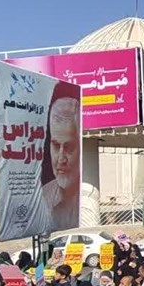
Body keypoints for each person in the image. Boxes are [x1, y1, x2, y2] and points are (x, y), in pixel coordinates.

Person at [41, 89, 81, 231]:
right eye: (56, 146)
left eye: (69, 147)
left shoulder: (85, 199)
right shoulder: (43, 198)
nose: (61, 159)